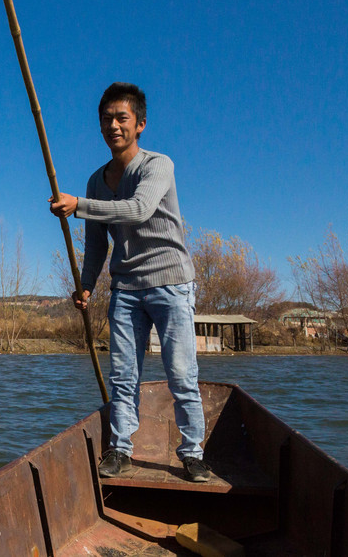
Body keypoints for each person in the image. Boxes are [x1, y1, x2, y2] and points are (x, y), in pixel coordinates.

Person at [49, 82, 209, 483]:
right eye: (107, 119)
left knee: (181, 374)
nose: (113, 126)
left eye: (122, 118)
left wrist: (79, 207)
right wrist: (86, 286)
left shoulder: (159, 165)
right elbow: (96, 245)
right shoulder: (95, 181)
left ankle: (192, 453)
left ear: (139, 124)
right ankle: (121, 449)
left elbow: (137, 210)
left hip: (171, 284)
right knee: (123, 374)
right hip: (125, 289)